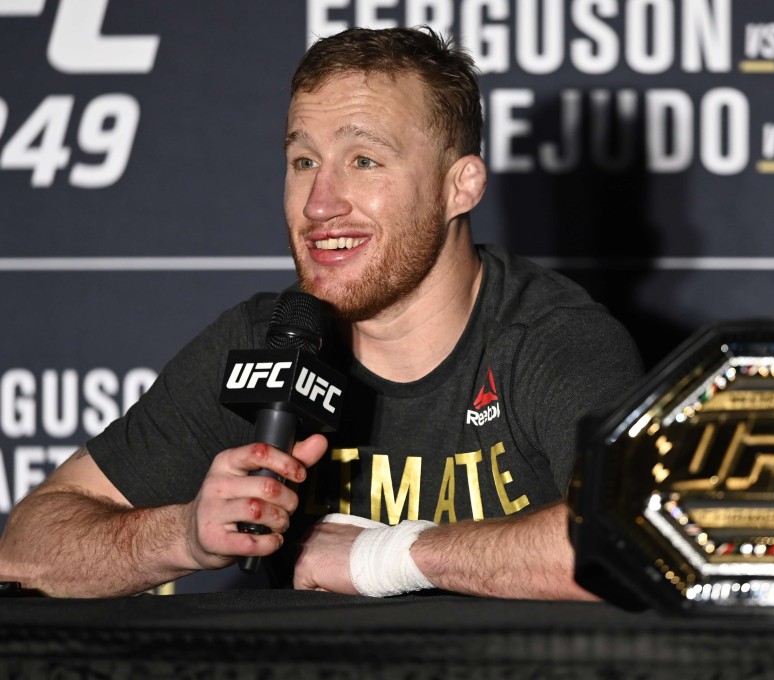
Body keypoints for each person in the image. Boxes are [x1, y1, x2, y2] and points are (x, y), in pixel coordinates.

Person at [0, 26, 644, 599]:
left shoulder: (550, 338)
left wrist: (379, 557)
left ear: (461, 186)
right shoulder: (269, 342)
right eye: (303, 161)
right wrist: (183, 535)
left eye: (364, 160)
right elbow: (25, 548)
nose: (319, 203)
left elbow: (633, 535)